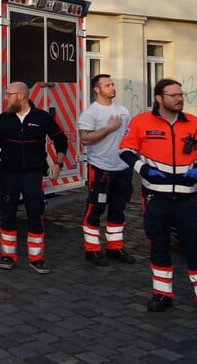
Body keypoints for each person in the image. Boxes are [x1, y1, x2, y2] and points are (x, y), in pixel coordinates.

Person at [119, 78, 197, 323]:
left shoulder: (194, 123)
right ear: (159, 98)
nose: (179, 99)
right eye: (173, 95)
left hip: (187, 197)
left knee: (195, 247)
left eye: (181, 94)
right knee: (158, 245)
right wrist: (144, 171)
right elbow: (125, 150)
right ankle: (162, 294)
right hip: (156, 196)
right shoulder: (141, 122)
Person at [0, 81, 68, 274]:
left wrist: (58, 163)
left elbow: (60, 139)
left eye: (9, 95)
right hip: (8, 175)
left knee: (35, 214)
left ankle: (36, 259)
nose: (5, 98)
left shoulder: (42, 117)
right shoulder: (3, 119)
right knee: (6, 213)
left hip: (33, 174)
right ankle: (7, 255)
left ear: (21, 96)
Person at [77, 74, 135, 266]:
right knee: (95, 209)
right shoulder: (90, 113)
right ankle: (92, 250)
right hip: (101, 168)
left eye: (112, 84)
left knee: (118, 209)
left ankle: (114, 247)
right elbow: (85, 139)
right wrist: (108, 129)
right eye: (107, 85)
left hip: (123, 168)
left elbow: (129, 136)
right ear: (97, 89)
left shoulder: (123, 110)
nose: (112, 87)